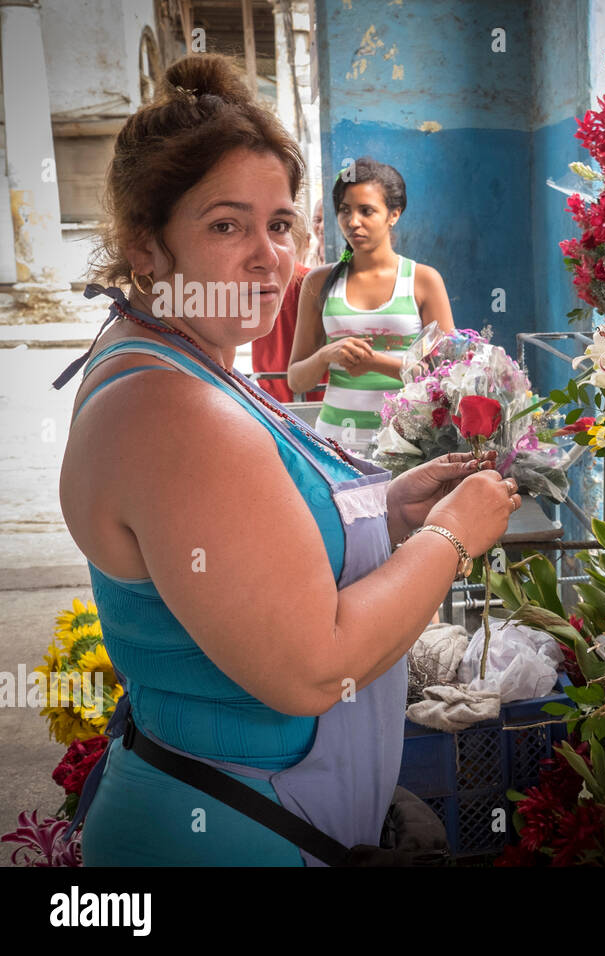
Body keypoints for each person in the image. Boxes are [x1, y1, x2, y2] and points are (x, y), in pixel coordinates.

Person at [54, 52, 520, 866]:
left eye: (279, 223)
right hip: (226, 834)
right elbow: (312, 670)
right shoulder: (172, 410)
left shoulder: (189, 362)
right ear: (145, 250)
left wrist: (391, 507)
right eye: (226, 224)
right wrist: (450, 538)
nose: (270, 254)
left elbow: (269, 529)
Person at [288, 158, 454, 458]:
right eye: (344, 210)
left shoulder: (423, 280)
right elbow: (297, 379)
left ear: (394, 214)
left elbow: (449, 378)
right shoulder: (318, 282)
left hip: (407, 447)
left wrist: (375, 363)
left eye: (366, 211)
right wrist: (326, 354)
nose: (353, 222)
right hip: (334, 448)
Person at [250, 213, 323, 403]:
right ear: (308, 241)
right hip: (316, 394)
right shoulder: (317, 283)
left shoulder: (257, 284)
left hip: (272, 393)